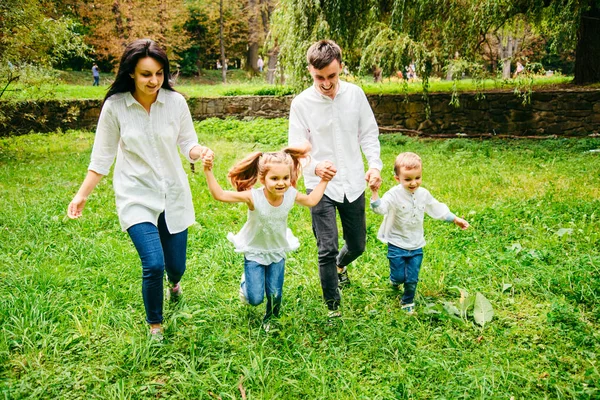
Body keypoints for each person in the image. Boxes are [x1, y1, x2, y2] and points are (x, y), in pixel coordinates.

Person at [67, 39, 213, 340]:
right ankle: (155, 326)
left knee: (176, 266)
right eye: (146, 74)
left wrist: (200, 152)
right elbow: (102, 156)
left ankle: (175, 285)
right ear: (131, 72)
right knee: (153, 262)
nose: (154, 81)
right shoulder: (116, 107)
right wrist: (82, 195)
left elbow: (187, 143)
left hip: (173, 192)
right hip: (136, 195)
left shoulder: (175, 103)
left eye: (159, 73)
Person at [288, 39, 383, 318]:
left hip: (353, 181)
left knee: (357, 244)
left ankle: (342, 266)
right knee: (326, 248)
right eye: (319, 77)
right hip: (320, 187)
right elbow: (296, 147)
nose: (326, 83)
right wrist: (315, 166)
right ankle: (333, 307)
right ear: (310, 71)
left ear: (340, 67)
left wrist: (374, 166)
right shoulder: (301, 103)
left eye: (332, 75)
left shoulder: (355, 95)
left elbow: (368, 133)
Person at [201, 143, 335, 329]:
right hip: (255, 250)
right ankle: (246, 283)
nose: (281, 183)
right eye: (275, 178)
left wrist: (324, 181)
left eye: (285, 178)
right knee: (254, 298)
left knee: (275, 293)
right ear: (263, 179)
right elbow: (220, 195)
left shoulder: (290, 194)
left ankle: (271, 319)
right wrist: (208, 170)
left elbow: (312, 200)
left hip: (277, 249)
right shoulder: (253, 197)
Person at [370, 152, 469, 314]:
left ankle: (407, 300)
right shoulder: (393, 195)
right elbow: (380, 209)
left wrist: (455, 219)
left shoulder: (423, 194)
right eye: (408, 179)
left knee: (412, 278)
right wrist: (375, 194)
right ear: (397, 178)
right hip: (396, 243)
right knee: (399, 276)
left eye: (417, 178)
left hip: (416, 244)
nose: (413, 183)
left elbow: (436, 208)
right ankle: (395, 281)